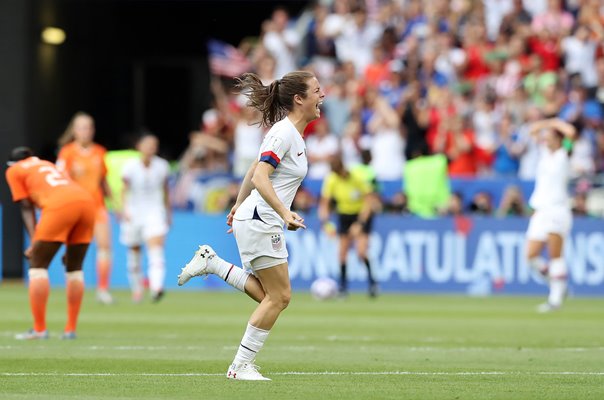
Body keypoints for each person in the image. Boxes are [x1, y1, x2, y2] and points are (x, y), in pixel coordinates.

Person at [177, 71, 324, 380]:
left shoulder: (289, 134)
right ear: (299, 99)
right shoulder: (284, 133)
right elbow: (260, 176)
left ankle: (214, 264)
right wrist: (284, 212)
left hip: (256, 216)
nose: (321, 96)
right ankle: (239, 366)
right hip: (263, 219)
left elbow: (253, 171)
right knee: (279, 297)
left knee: (272, 296)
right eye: (316, 90)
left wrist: (238, 204)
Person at [5, 147, 95, 340]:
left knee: (37, 265)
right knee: (74, 268)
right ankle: (70, 329)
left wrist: (35, 241)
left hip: (60, 205)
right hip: (86, 202)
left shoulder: (14, 170)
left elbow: (26, 206)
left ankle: (39, 329)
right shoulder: (47, 164)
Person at [56, 112, 114, 304]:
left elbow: (103, 180)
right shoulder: (67, 152)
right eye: (81, 127)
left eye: (89, 127)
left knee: (105, 246)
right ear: (74, 130)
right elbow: (60, 181)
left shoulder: (100, 152)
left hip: (97, 206)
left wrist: (116, 203)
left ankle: (103, 290)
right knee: (74, 249)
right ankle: (72, 288)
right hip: (75, 208)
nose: (86, 131)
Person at [525, 118, 576, 313]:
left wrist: (557, 123)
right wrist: (548, 123)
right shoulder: (544, 153)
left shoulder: (564, 154)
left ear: (558, 139)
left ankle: (555, 299)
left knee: (555, 255)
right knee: (530, 256)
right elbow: (532, 129)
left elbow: (570, 133)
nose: (545, 139)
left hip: (557, 209)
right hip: (541, 210)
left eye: (550, 137)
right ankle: (558, 286)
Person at [119, 134, 171, 303]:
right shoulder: (130, 167)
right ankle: (137, 290)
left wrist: (168, 212)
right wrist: (124, 209)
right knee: (134, 252)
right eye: (147, 144)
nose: (151, 148)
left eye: (153, 145)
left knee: (156, 248)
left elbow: (165, 191)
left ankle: (156, 287)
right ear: (139, 146)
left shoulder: (162, 166)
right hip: (134, 212)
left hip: (155, 211)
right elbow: (124, 190)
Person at [318, 155, 377, 297]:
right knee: (342, 253)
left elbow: (369, 202)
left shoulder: (357, 177)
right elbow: (324, 204)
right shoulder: (331, 179)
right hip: (344, 215)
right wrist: (326, 224)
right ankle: (343, 288)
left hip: (361, 213)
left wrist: (360, 223)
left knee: (361, 252)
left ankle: (372, 283)